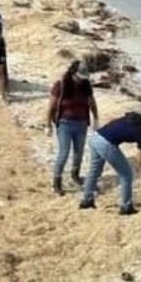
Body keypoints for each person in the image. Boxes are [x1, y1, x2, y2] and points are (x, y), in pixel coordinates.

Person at [79, 112, 141, 215]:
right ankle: (126, 207)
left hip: (96, 137)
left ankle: (86, 201)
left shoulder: (138, 118)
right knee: (126, 174)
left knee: (94, 171)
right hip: (106, 143)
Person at [46, 60, 100, 196]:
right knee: (64, 153)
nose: (80, 81)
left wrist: (96, 119)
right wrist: (48, 125)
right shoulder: (61, 85)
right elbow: (51, 108)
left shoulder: (86, 86)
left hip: (81, 124)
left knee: (79, 152)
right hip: (64, 124)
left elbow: (92, 104)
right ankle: (57, 181)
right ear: (72, 73)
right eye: (79, 78)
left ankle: (75, 175)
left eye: (83, 78)